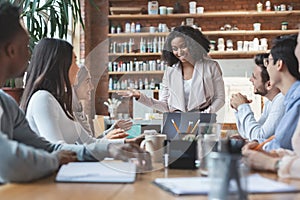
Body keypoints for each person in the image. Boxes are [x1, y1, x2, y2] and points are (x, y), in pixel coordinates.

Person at [0, 2, 151, 183]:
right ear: (11, 50)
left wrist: (112, 148)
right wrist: (57, 159)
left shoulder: (7, 104)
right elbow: (12, 162)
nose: (31, 53)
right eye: (26, 46)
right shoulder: (41, 99)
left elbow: (50, 147)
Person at [20, 38, 141, 145]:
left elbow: (89, 143)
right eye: (74, 61)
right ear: (60, 65)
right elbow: (58, 150)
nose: (78, 68)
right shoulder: (42, 99)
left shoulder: (60, 102)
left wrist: (129, 143)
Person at [118, 26, 225, 113]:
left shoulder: (211, 67)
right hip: (177, 123)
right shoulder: (170, 71)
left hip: (204, 122)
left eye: (183, 46)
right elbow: (164, 106)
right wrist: (140, 96)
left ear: (194, 44)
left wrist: (206, 114)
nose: (179, 52)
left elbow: (220, 98)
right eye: (174, 49)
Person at [242, 32, 300, 178]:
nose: (267, 67)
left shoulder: (293, 99)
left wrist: (271, 162)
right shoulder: (288, 99)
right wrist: (269, 153)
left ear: (279, 64)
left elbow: (280, 141)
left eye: (269, 62)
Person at [230, 53, 285, 142]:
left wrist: (243, 107)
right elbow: (250, 134)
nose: (250, 79)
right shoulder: (270, 102)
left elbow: (259, 136)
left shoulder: (281, 100)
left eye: (254, 77)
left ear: (269, 84)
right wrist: (239, 109)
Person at [72, 65, 133, 137]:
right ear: (76, 83)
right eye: (87, 81)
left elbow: (92, 141)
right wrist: (108, 137)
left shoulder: (79, 109)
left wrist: (112, 129)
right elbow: (88, 146)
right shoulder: (71, 113)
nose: (91, 87)